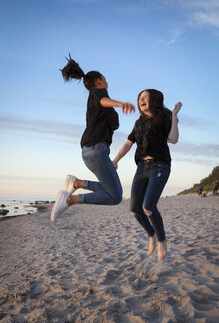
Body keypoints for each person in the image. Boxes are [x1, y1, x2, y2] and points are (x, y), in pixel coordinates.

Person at [51, 54, 135, 223]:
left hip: (91, 151)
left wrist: (115, 159)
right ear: (99, 81)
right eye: (104, 78)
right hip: (97, 150)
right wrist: (120, 104)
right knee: (116, 197)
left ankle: (77, 183)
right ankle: (69, 200)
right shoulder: (97, 94)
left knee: (108, 190)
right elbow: (103, 100)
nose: (106, 79)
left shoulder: (95, 101)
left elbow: (104, 105)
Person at [112, 89, 182, 261]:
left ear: (154, 100)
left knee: (148, 207)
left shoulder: (163, 117)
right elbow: (128, 144)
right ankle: (151, 234)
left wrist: (173, 115)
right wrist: (115, 160)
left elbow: (173, 139)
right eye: (139, 98)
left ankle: (162, 240)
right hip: (142, 167)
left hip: (160, 165)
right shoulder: (138, 123)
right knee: (134, 209)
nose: (141, 100)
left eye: (145, 97)